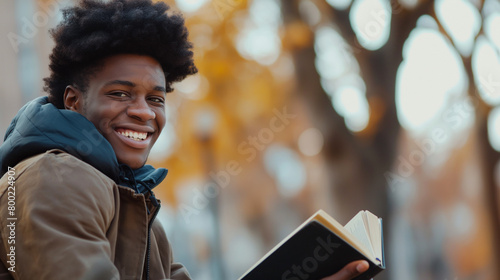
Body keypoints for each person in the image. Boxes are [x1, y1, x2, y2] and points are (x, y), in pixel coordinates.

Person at [0, 0, 370, 279]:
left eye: (156, 99)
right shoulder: (54, 177)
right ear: (73, 101)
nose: (145, 112)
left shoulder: (137, 206)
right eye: (120, 93)